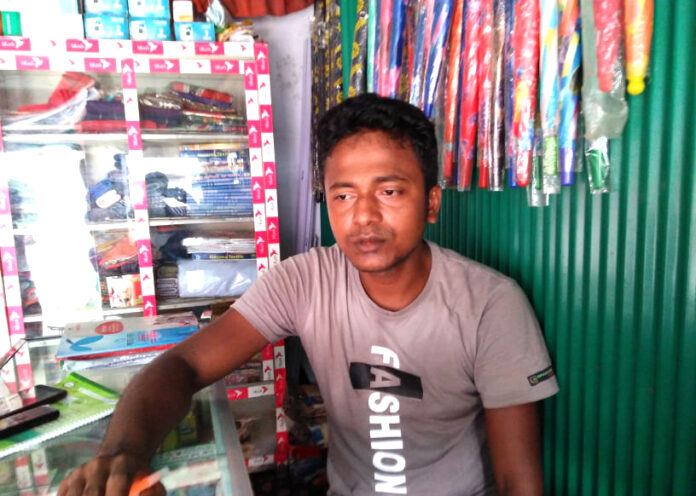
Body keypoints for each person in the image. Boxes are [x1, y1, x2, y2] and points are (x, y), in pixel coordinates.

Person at [59, 94, 558, 496]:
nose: (363, 216)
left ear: (431, 203)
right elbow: (184, 365)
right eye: (343, 195)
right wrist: (122, 454)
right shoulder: (304, 281)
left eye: (388, 191)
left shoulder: (491, 305)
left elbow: (519, 483)